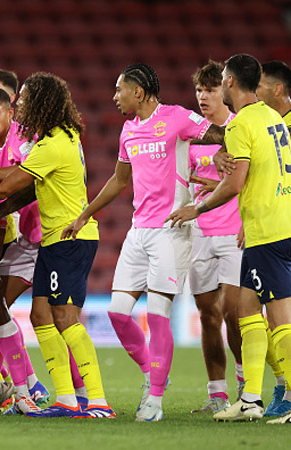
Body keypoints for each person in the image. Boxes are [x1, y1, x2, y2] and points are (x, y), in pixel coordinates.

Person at [63, 63, 226, 422]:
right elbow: (120, 181)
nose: (114, 96)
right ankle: (155, 373)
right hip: (138, 232)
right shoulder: (128, 130)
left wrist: (230, 153)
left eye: (119, 89)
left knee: (158, 314)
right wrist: (84, 214)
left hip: (171, 230)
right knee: (118, 314)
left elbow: (220, 134)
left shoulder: (178, 118)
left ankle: (153, 400)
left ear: (137, 91)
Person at [0, 72, 114, 419]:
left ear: (41, 103)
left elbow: (8, 186)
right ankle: (66, 400)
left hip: (70, 240)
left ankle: (97, 401)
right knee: (41, 315)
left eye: (24, 98)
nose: (19, 103)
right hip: (53, 241)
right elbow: (22, 186)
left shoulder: (51, 145)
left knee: (65, 317)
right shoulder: (63, 137)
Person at [167, 53, 291, 424]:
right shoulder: (273, 118)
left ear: (231, 83)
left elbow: (236, 183)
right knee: (247, 310)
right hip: (266, 227)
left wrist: (198, 209)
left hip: (269, 231)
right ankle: (250, 398)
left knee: (280, 318)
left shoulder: (240, 125)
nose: (218, 84)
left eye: (220, 79)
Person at [0, 87, 51, 411]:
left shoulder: (24, 139)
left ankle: (71, 391)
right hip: (23, 241)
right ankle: (29, 386)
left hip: (49, 237)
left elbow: (30, 183)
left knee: (54, 318)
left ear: (10, 112)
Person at [187, 61, 243, 413]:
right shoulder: (192, 133)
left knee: (236, 313)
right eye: (199, 90)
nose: (203, 96)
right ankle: (216, 394)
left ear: (225, 90)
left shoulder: (241, 128)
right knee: (208, 315)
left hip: (235, 231)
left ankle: (246, 387)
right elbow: (184, 176)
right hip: (199, 232)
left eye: (210, 90)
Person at [255, 60, 291, 417]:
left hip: (282, 231)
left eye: (261, 85)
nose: (256, 91)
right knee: (259, 313)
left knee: (279, 315)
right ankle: (282, 386)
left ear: (278, 90)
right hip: (269, 228)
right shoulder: (270, 126)